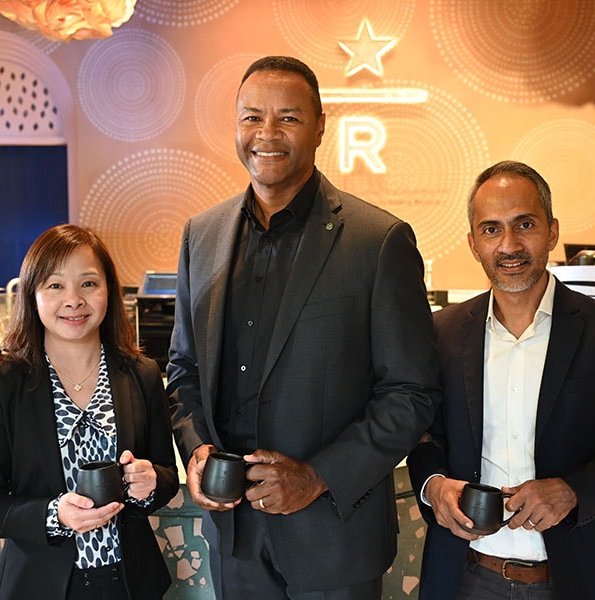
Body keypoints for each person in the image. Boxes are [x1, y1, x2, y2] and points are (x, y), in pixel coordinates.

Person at [167, 56, 441, 599]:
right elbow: (183, 368)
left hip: (333, 540)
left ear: (320, 126)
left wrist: (316, 476)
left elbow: (411, 393)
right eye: (252, 117)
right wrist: (196, 448)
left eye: (288, 118)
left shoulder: (378, 240)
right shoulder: (202, 234)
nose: (266, 134)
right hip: (235, 537)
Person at [408, 161, 595, 600]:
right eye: (491, 230)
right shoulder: (441, 333)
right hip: (464, 576)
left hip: (575, 577)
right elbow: (422, 437)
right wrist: (434, 487)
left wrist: (572, 490)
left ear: (551, 231)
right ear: (474, 244)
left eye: (523, 224)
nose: (508, 245)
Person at [0, 224, 179, 599]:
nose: (74, 300)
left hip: (129, 582)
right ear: (32, 294)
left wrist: (151, 481)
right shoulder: (3, 383)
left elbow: (167, 477)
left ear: (110, 290)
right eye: (55, 285)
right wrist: (53, 515)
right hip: (39, 584)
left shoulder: (141, 374)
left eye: (89, 284)